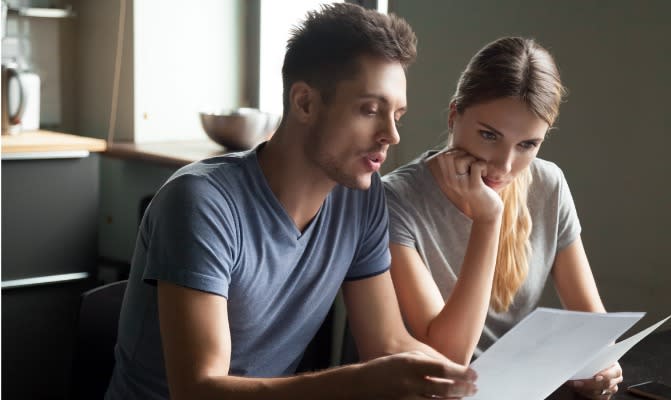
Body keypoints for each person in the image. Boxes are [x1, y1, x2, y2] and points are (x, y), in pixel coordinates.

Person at [104, 4, 478, 399]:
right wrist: (355, 382)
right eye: (370, 110)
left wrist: (465, 386)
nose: (391, 134)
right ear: (304, 103)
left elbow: (387, 344)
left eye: (397, 115)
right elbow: (198, 390)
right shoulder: (201, 202)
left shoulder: (361, 201)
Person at [383, 37, 622, 399]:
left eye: (527, 144)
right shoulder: (394, 199)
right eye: (489, 135)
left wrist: (601, 366)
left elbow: (593, 325)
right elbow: (449, 358)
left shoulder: (548, 184)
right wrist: (489, 219)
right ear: (453, 116)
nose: (505, 165)